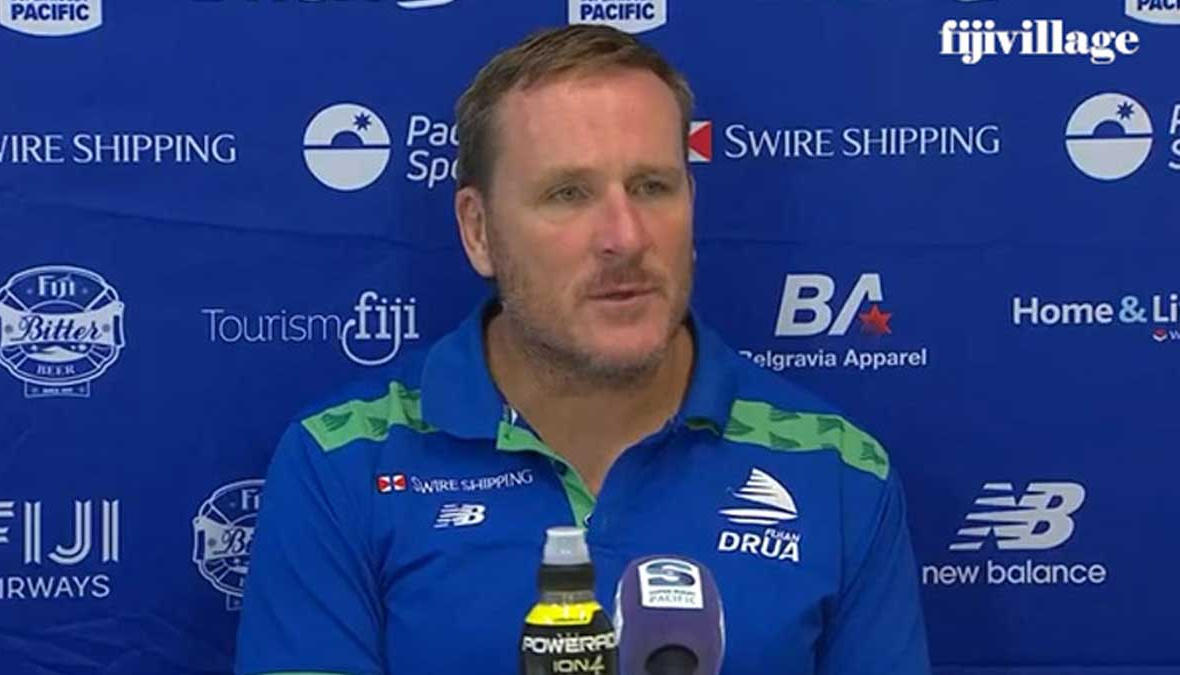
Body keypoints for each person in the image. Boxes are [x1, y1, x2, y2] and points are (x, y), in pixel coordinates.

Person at [235, 24, 931, 675]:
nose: (626, 237)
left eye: (652, 187)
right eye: (568, 193)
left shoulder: (836, 469)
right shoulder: (342, 461)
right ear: (478, 231)